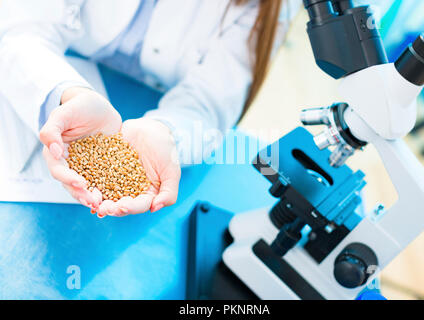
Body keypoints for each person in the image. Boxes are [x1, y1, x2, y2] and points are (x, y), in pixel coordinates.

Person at [0, 0, 299, 218]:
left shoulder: (272, 6)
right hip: (61, 64)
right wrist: (67, 94)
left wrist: (164, 132)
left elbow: (208, 101)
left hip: (152, 102)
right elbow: (20, 29)